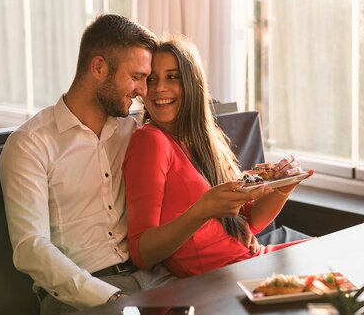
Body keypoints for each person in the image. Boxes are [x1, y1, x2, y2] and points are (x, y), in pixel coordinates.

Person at [0, 14, 175, 314]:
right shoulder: (30, 144)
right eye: (136, 78)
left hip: (155, 278)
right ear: (98, 67)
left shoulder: (133, 132)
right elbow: (31, 248)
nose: (143, 91)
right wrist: (111, 299)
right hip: (78, 297)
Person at [122, 37, 312, 278]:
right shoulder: (151, 141)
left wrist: (284, 187)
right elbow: (142, 252)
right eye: (152, 79)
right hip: (228, 278)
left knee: (334, 255)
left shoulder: (205, 139)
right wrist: (203, 210)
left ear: (193, 83)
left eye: (172, 77)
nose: (159, 88)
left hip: (250, 262)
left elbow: (246, 224)